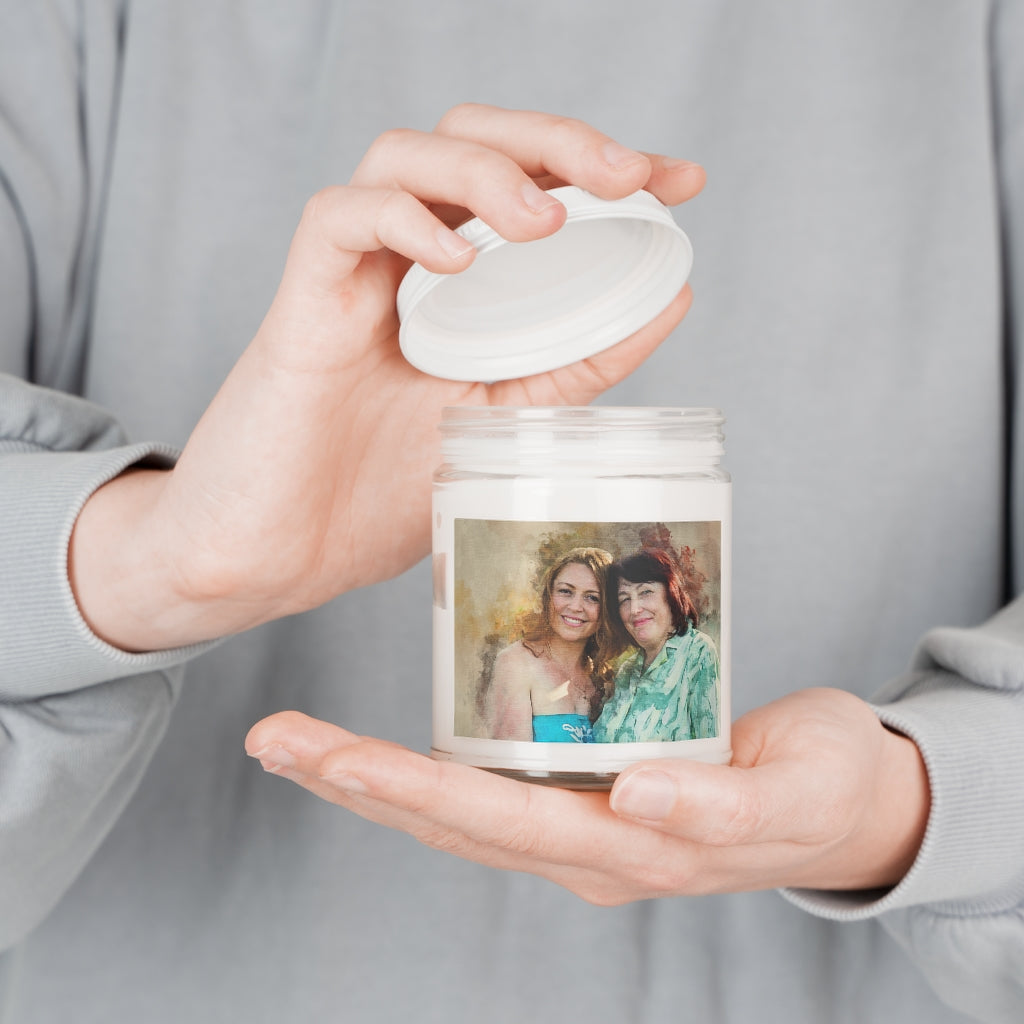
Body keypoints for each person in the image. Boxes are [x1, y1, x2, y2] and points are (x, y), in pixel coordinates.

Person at [2, 4, 1023, 1024]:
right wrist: (156, 561)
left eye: (604, 593)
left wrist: (921, 799)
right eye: (580, 590)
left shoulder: (643, 670)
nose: (595, 606)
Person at [482, 547, 617, 742]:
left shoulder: (603, 679)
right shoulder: (516, 664)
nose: (575, 607)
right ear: (548, 597)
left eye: (592, 598)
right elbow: (510, 758)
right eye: (565, 591)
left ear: (606, 610)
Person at [593, 548, 719, 743]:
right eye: (624, 599)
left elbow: (710, 744)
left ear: (670, 593)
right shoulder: (626, 671)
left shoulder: (697, 651)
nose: (634, 609)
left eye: (645, 592)